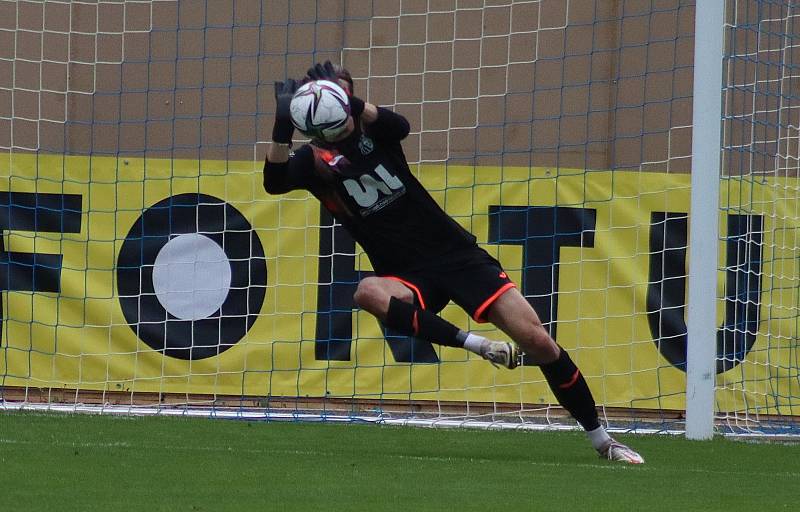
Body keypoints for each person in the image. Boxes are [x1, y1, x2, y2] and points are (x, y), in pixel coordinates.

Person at [263, 61, 644, 464]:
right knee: (367, 292)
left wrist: (347, 99)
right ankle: (478, 346)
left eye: (345, 93)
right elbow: (273, 181)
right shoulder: (313, 162)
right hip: (405, 274)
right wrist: (281, 121)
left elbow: (400, 124)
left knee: (538, 340)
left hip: (457, 256)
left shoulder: (377, 132)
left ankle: (604, 441)